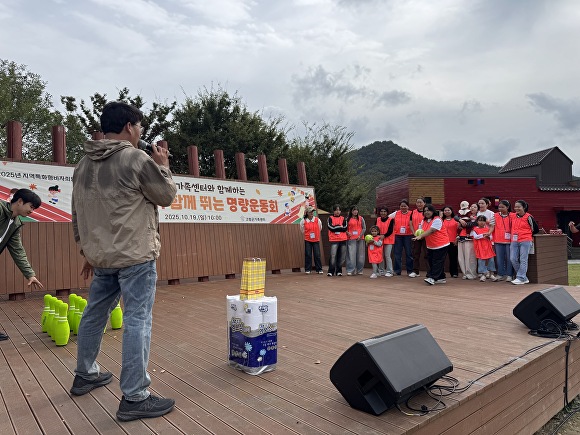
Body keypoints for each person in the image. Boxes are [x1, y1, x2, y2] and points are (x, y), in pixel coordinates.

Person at [70, 101, 177, 422]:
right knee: (137, 320)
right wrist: (163, 165)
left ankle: (85, 373)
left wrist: (86, 251)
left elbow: (76, 213)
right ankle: (134, 396)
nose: (140, 132)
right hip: (135, 256)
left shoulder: (83, 165)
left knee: (94, 314)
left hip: (101, 257)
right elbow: (166, 195)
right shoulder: (135, 158)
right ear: (129, 126)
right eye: (139, 126)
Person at [0, 189, 44, 341]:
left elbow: (17, 250)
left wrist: (30, 274)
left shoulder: (15, 223)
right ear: (19, 201)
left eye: (34, 209)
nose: (32, 211)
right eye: (31, 206)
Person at [413, 205, 449, 285]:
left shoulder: (437, 220)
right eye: (425, 211)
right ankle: (441, 278)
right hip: (431, 245)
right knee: (432, 261)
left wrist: (421, 236)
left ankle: (433, 278)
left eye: (428, 210)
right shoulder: (423, 221)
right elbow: (421, 230)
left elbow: (432, 230)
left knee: (437, 262)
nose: (426, 212)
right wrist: (418, 235)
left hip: (441, 244)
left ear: (433, 211)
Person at [510, 199, 535, 285]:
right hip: (514, 240)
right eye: (515, 207)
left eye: (519, 207)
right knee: (513, 259)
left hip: (525, 240)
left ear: (524, 207)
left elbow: (535, 229)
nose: (516, 208)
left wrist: (528, 236)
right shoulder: (512, 216)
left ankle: (520, 277)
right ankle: (523, 277)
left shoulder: (528, 217)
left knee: (523, 259)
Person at [389, 200, 415, 277]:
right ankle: (397, 271)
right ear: (399, 207)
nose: (403, 207)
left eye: (405, 206)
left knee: (409, 254)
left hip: (408, 235)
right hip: (397, 236)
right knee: (397, 254)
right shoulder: (396, 213)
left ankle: (410, 271)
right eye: (402, 206)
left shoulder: (412, 213)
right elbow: (387, 218)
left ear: (408, 206)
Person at [470, 216, 498, 282]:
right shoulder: (475, 229)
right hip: (480, 247)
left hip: (488, 247)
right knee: (481, 261)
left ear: (485, 222)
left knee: (491, 260)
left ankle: (491, 274)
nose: (482, 222)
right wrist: (483, 235)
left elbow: (491, 237)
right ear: (477, 221)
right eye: (480, 220)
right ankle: (483, 274)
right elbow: (475, 237)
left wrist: (488, 237)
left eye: (483, 221)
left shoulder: (488, 229)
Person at [493, 200, 514, 281]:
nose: (500, 209)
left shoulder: (513, 215)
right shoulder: (495, 215)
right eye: (499, 207)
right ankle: (500, 274)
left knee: (509, 258)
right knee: (499, 258)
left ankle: (509, 274)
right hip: (498, 240)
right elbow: (491, 225)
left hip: (510, 240)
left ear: (507, 207)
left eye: (502, 207)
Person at [457, 202, 478, 280]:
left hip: (470, 238)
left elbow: (475, 224)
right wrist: (460, 220)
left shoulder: (477, 217)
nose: (472, 208)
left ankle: (471, 273)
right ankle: (464, 273)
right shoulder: (461, 215)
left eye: (474, 207)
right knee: (461, 257)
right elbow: (456, 217)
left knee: (470, 257)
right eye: (471, 206)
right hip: (461, 238)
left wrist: (462, 223)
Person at [299, 206, 323, 274]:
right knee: (308, 254)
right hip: (308, 239)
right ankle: (308, 269)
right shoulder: (303, 221)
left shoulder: (317, 220)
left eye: (312, 211)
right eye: (310, 212)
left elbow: (320, 228)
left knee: (317, 255)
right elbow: (302, 230)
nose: (312, 213)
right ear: (307, 213)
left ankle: (319, 269)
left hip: (316, 239)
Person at [409, 197, 428, 277]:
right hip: (416, 236)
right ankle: (415, 271)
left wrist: (424, 234)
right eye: (417, 202)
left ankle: (429, 272)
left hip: (426, 236)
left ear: (424, 203)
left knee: (427, 254)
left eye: (421, 202)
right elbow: (410, 223)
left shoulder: (427, 212)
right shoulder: (413, 212)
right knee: (415, 254)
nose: (419, 204)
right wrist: (414, 233)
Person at [345, 205, 366, 276]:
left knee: (360, 255)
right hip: (351, 239)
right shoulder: (347, 219)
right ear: (351, 211)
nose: (355, 211)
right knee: (351, 255)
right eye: (354, 210)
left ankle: (360, 270)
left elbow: (364, 228)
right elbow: (344, 228)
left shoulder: (361, 218)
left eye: (356, 210)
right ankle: (351, 270)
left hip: (360, 239)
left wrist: (360, 235)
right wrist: (347, 233)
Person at [327, 205, 347, 276]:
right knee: (333, 255)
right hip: (334, 239)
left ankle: (339, 271)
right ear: (333, 211)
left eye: (339, 210)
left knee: (341, 257)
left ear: (340, 211)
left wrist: (335, 226)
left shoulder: (343, 218)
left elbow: (345, 228)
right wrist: (339, 226)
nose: (337, 211)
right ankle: (330, 271)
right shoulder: (330, 218)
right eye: (336, 210)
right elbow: (330, 228)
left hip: (343, 239)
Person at [376, 206, 395, 277]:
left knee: (387, 256)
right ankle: (381, 270)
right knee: (380, 256)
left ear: (387, 213)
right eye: (381, 211)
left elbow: (390, 230)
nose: (383, 213)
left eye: (384, 211)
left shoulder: (391, 220)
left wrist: (384, 235)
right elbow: (375, 229)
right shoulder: (378, 219)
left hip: (388, 240)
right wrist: (378, 236)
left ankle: (390, 271)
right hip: (380, 240)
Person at [441, 206, 459, 278]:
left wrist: (456, 239)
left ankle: (454, 273)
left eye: (448, 210)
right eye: (445, 210)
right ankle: (441, 273)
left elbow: (459, 230)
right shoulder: (441, 220)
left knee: (453, 258)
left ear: (451, 211)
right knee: (441, 258)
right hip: (443, 242)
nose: (447, 211)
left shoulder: (456, 220)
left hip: (453, 241)